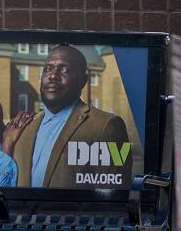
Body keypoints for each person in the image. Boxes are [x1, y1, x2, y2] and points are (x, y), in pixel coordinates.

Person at [12, 44, 132, 188]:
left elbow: (115, 195)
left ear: (83, 80)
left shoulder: (108, 126)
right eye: (48, 69)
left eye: (64, 69)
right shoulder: (24, 127)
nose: (52, 76)